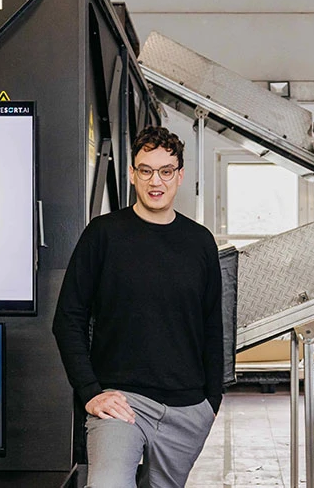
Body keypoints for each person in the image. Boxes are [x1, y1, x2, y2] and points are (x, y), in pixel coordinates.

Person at [52, 126, 223, 488]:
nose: (155, 181)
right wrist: (91, 392)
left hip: (187, 410)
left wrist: (211, 403)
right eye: (145, 170)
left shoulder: (200, 242)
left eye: (165, 171)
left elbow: (212, 328)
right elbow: (68, 318)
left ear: (180, 176)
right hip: (120, 403)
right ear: (132, 174)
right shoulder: (103, 234)